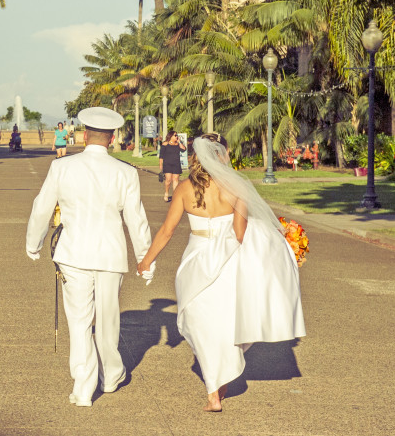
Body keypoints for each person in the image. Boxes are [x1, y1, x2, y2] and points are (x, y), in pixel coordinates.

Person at [136, 134, 305, 413]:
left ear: (195, 157)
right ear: (222, 155)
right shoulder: (236, 187)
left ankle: (214, 390)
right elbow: (240, 233)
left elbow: (166, 231)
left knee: (198, 322)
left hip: (196, 259)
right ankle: (219, 381)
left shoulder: (184, 189)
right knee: (227, 322)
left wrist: (146, 261)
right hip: (228, 259)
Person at [26, 107, 153, 407]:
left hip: (74, 253)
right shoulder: (126, 172)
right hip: (110, 255)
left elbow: (42, 207)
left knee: (79, 321)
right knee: (109, 319)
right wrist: (146, 260)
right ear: (111, 138)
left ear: (84, 136)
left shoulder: (62, 167)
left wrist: (34, 243)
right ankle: (110, 375)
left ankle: (84, 387)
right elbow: (137, 220)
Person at [158, 130, 186, 202]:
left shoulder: (178, 144)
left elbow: (184, 149)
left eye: (177, 135)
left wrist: (179, 141)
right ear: (171, 136)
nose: (177, 136)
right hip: (167, 164)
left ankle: (175, 195)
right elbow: (161, 155)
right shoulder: (165, 144)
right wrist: (160, 164)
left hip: (176, 164)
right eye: (175, 135)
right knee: (168, 180)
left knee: (176, 180)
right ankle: (166, 193)